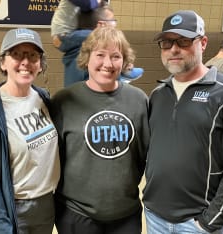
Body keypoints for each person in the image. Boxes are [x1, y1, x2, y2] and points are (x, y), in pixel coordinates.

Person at [142, 10, 223, 233]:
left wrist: (210, 221)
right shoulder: (158, 95)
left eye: (184, 41)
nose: (174, 49)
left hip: (198, 222)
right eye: (167, 43)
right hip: (155, 215)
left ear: (203, 43)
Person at [50, 26, 149, 234]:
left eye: (115, 56)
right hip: (77, 214)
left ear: (124, 61)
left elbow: (144, 155)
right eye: (100, 55)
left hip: (125, 214)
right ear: (87, 58)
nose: (108, 63)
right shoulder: (64, 100)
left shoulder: (138, 100)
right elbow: (54, 158)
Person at [0, 28, 60, 234]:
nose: (25, 62)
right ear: (3, 62)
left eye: (32, 55)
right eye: (16, 54)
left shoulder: (42, 97)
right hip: (17, 208)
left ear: (40, 64)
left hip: (46, 203)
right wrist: (2, 226)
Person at [51, 1, 143, 87]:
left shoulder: (77, 50)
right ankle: (125, 70)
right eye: (112, 21)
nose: (115, 26)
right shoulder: (87, 55)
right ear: (101, 25)